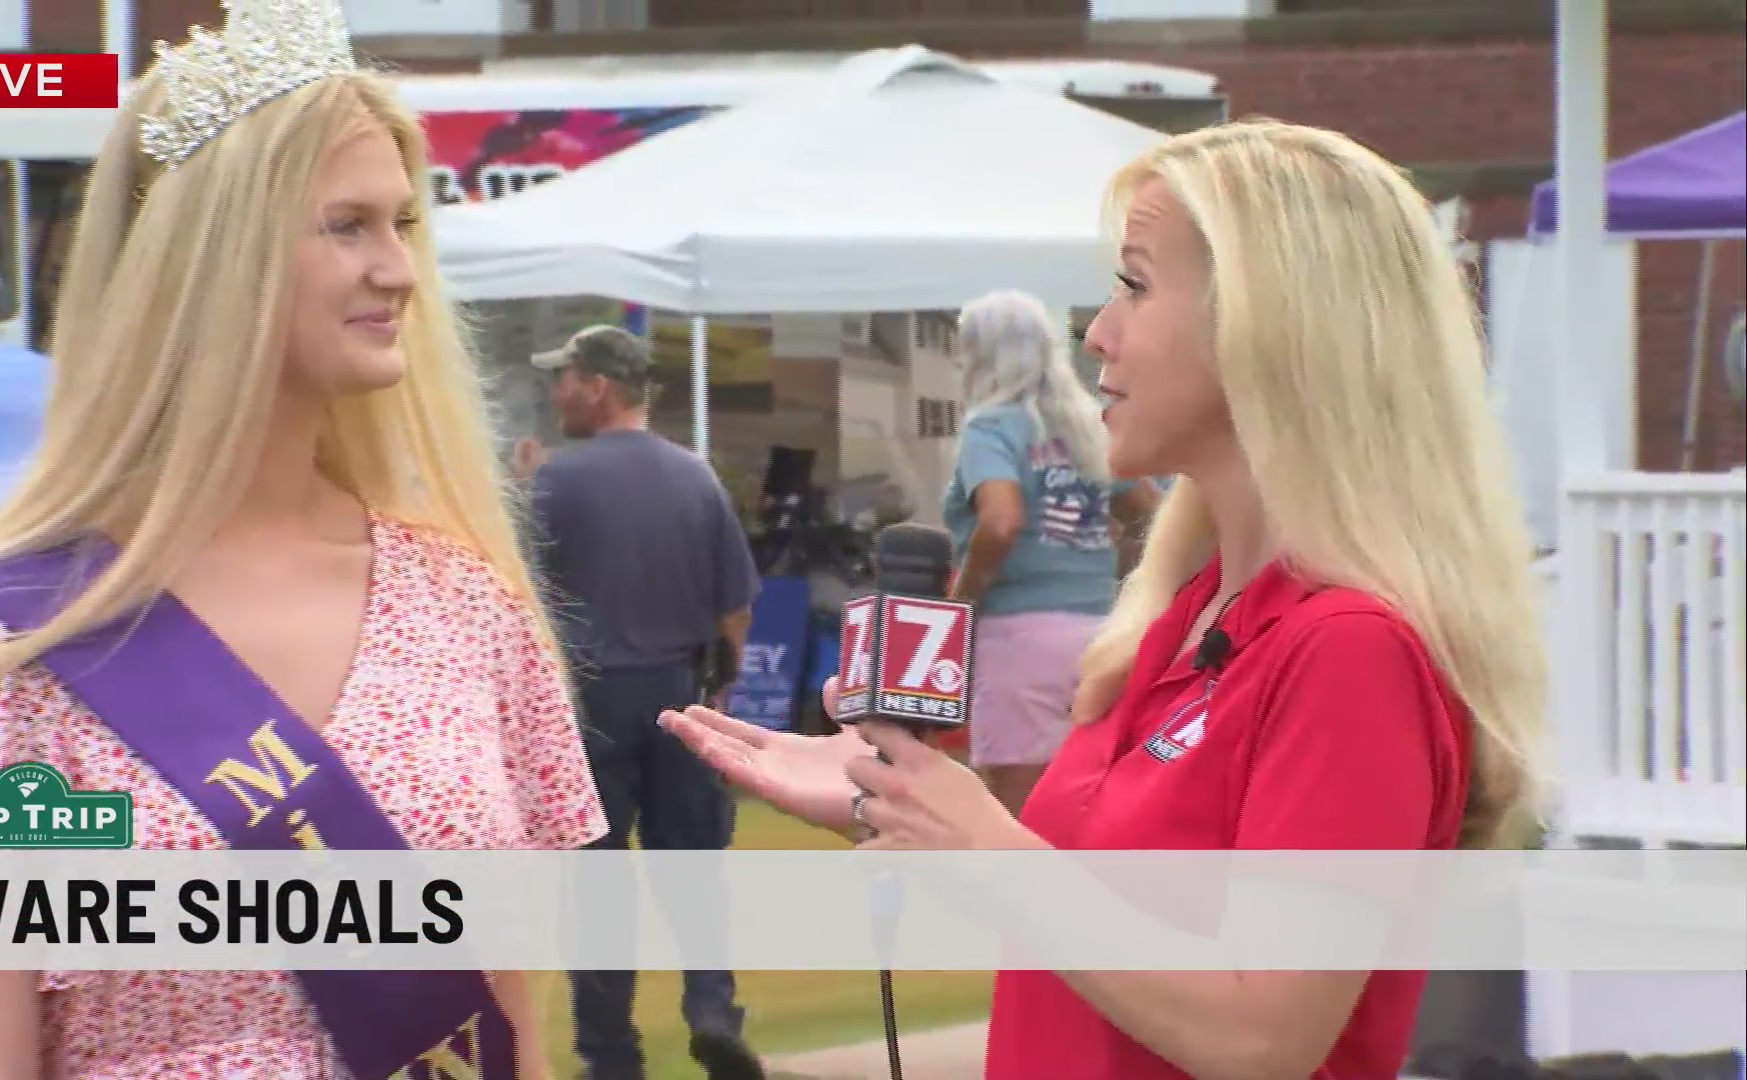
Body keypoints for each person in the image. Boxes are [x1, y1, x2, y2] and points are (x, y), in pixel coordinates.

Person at [659, 117, 1547, 1080]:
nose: (1097, 332)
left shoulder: (1348, 648)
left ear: (1269, 323)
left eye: (1134, 284)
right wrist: (902, 800)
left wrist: (989, 843)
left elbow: (1260, 1036)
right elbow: (1102, 920)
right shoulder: (1183, 621)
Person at [0, 3, 606, 1078]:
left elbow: (498, 1021)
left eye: (405, 225)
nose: (398, 270)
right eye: (347, 225)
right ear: (213, 260)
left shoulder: (466, 603)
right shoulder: (11, 659)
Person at [524, 325, 764, 1080]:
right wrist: (718, 688)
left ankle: (608, 1053)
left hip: (589, 703)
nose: (554, 391)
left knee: (596, 885)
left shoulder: (557, 482)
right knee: (692, 867)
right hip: (678, 690)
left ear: (597, 386)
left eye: (564, 377)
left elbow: (523, 601)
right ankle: (711, 1009)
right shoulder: (696, 478)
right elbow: (735, 606)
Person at [943, 288, 1162, 814]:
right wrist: (1122, 566)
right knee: (1089, 805)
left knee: (1022, 818)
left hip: (1019, 635)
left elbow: (1000, 520)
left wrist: (963, 600)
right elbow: (1154, 512)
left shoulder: (992, 427)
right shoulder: (1085, 426)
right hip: (1100, 630)